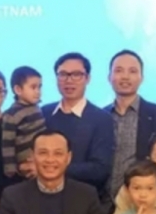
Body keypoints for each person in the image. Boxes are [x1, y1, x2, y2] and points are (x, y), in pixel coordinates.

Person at [104, 50, 156, 199]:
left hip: (144, 200)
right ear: (109, 77)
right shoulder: (100, 117)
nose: (125, 76)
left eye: (132, 71)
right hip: (102, 202)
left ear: (141, 78)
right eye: (118, 71)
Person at [43, 53, 115, 201]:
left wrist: (54, 169)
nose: (69, 80)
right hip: (43, 198)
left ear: (87, 78)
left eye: (76, 74)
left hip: (83, 202)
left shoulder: (102, 119)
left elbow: (100, 169)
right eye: (63, 74)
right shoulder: (43, 113)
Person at [0, 66, 45, 182]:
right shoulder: (11, 114)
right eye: (33, 87)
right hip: (25, 163)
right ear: (18, 90)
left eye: (39, 87)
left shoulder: (37, 108)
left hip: (42, 157)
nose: (38, 92)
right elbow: (7, 143)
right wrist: (11, 170)